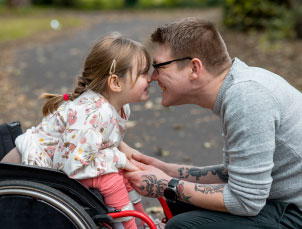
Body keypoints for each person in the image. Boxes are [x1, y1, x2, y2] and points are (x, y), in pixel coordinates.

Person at [124, 17, 302, 228]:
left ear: (194, 68)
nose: (153, 77)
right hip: (282, 205)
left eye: (159, 67)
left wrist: (164, 184)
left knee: (182, 225)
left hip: (294, 212)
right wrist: (167, 170)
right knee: (179, 201)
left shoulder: (247, 98)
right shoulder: (239, 88)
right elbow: (236, 174)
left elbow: (245, 201)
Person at [2, 33, 151, 229]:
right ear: (115, 83)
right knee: (111, 179)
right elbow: (74, 164)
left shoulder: (118, 107)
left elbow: (103, 136)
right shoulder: (93, 113)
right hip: (29, 170)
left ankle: (141, 221)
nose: (151, 78)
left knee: (124, 172)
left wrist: (124, 151)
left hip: (63, 161)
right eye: (143, 73)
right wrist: (120, 159)